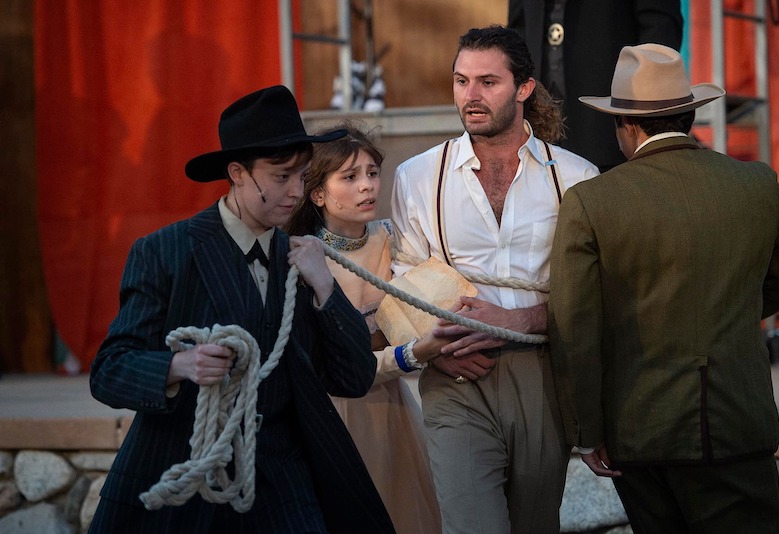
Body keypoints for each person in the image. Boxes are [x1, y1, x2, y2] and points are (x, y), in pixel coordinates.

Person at [89, 86, 395, 534]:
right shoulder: (165, 252)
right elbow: (109, 371)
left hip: (283, 480)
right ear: (237, 172)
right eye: (280, 176)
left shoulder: (303, 260)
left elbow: (353, 375)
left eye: (302, 176)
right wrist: (179, 364)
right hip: (185, 474)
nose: (295, 191)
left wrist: (326, 287)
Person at [548, 43, 779, 533]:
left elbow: (574, 326)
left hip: (639, 431)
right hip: (738, 424)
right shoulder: (757, 184)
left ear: (626, 125)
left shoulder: (591, 202)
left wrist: (585, 430)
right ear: (689, 113)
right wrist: (734, 309)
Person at [390, 25, 598, 533]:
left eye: (488, 82)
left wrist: (517, 319)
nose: (471, 96)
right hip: (455, 374)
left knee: (535, 524)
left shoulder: (576, 177)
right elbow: (403, 280)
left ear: (524, 88)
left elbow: (595, 295)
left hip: (544, 373)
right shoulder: (418, 176)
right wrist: (436, 347)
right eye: (461, 81)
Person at [284, 123, 442, 534]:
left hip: (390, 408)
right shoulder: (301, 259)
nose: (367, 186)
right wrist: (411, 355)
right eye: (350, 177)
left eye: (372, 173)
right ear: (317, 193)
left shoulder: (394, 240)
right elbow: (333, 366)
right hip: (334, 410)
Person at [508, 0, 683, 171]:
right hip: (533, 139)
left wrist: (641, 117)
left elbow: (659, 30)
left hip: (612, 135)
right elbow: (518, 32)